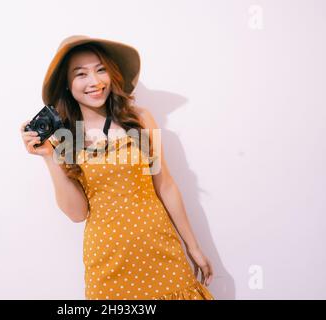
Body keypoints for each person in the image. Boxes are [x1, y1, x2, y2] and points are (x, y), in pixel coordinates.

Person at [20, 35, 214, 300]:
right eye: (81, 74)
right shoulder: (64, 138)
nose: (95, 82)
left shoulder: (140, 119)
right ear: (67, 84)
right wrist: (49, 158)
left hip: (161, 250)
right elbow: (77, 214)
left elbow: (165, 185)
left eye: (101, 70)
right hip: (108, 262)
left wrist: (193, 247)